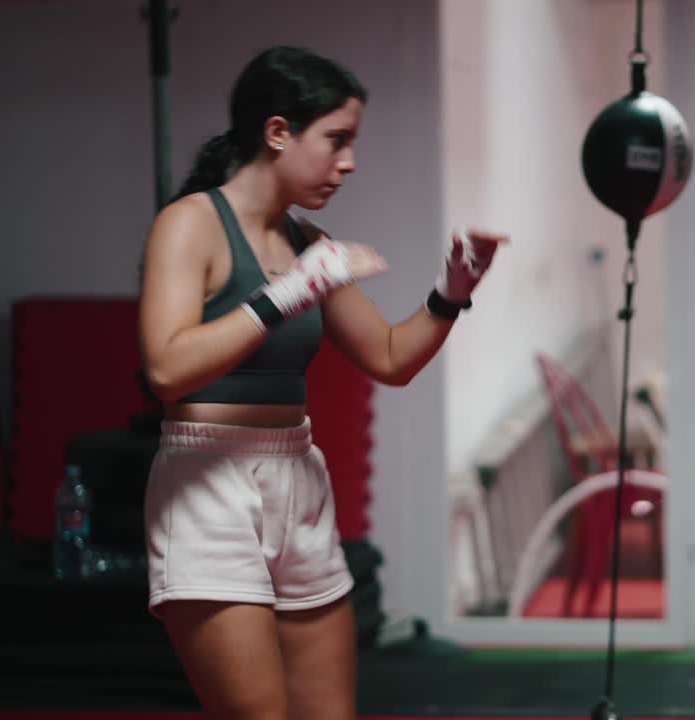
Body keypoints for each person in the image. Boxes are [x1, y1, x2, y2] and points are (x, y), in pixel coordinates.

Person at [138, 45, 506, 719]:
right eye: (336, 141)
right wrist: (282, 296)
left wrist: (452, 293)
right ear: (278, 132)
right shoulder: (190, 224)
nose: (349, 162)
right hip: (207, 487)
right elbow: (165, 369)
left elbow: (389, 359)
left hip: (297, 482)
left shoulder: (310, 243)